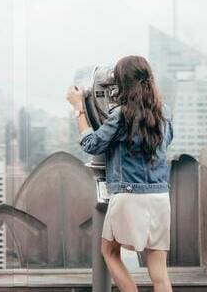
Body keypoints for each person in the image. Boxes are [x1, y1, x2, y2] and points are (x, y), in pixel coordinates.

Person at [66, 55, 173, 292]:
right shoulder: (164, 112)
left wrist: (79, 109)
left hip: (128, 195)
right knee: (160, 274)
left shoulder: (121, 115)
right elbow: (167, 142)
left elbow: (92, 145)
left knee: (110, 252)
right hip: (160, 197)